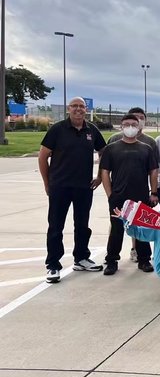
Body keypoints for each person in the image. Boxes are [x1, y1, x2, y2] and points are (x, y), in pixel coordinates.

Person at [39, 97, 107, 283]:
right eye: (74, 106)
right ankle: (53, 265)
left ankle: (81, 258)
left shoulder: (91, 130)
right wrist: (47, 183)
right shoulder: (58, 129)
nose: (78, 109)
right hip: (59, 186)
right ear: (68, 109)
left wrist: (100, 176)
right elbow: (43, 156)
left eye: (81, 106)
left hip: (84, 187)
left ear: (86, 109)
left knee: (82, 225)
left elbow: (104, 152)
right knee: (55, 227)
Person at [100, 114, 159, 275]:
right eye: (127, 124)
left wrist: (153, 192)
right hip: (118, 196)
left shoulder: (146, 148)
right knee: (117, 229)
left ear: (139, 126)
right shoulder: (111, 148)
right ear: (121, 126)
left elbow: (153, 171)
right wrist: (110, 194)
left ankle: (144, 259)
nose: (130, 127)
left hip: (140, 195)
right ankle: (111, 260)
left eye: (134, 124)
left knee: (141, 227)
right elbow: (105, 172)